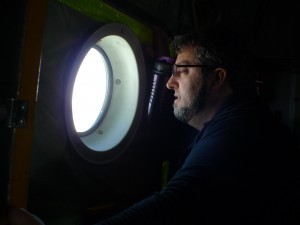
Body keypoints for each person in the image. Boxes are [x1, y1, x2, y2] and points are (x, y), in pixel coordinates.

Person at [2, 25, 299, 225]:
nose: (170, 82)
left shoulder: (240, 131)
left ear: (217, 79)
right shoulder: (232, 121)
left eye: (181, 71)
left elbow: (175, 203)